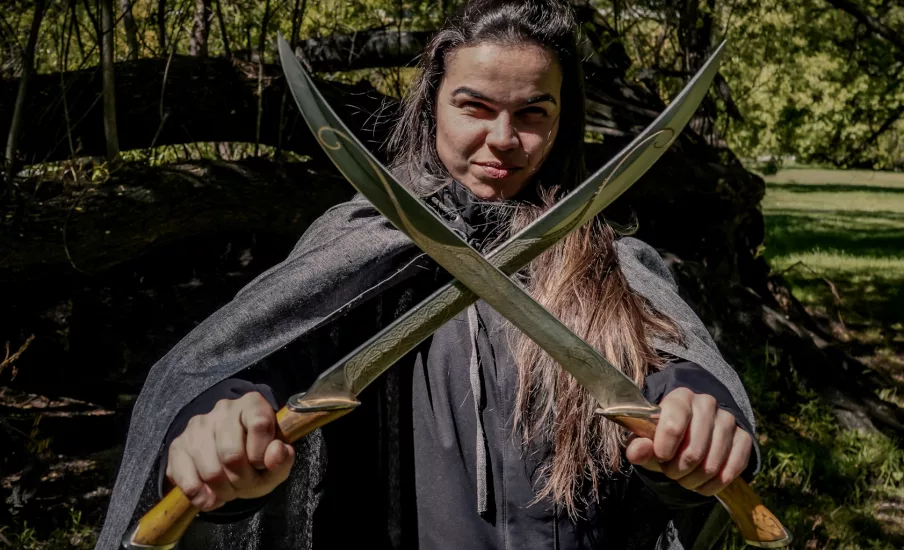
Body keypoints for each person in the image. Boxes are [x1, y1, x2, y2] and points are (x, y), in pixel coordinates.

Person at [96, 1, 762, 548]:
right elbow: (267, 357)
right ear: (432, 104)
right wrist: (219, 418)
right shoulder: (357, 241)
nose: (504, 139)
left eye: (533, 113)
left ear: (563, 123)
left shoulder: (608, 258)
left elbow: (674, 364)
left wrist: (699, 414)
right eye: (474, 106)